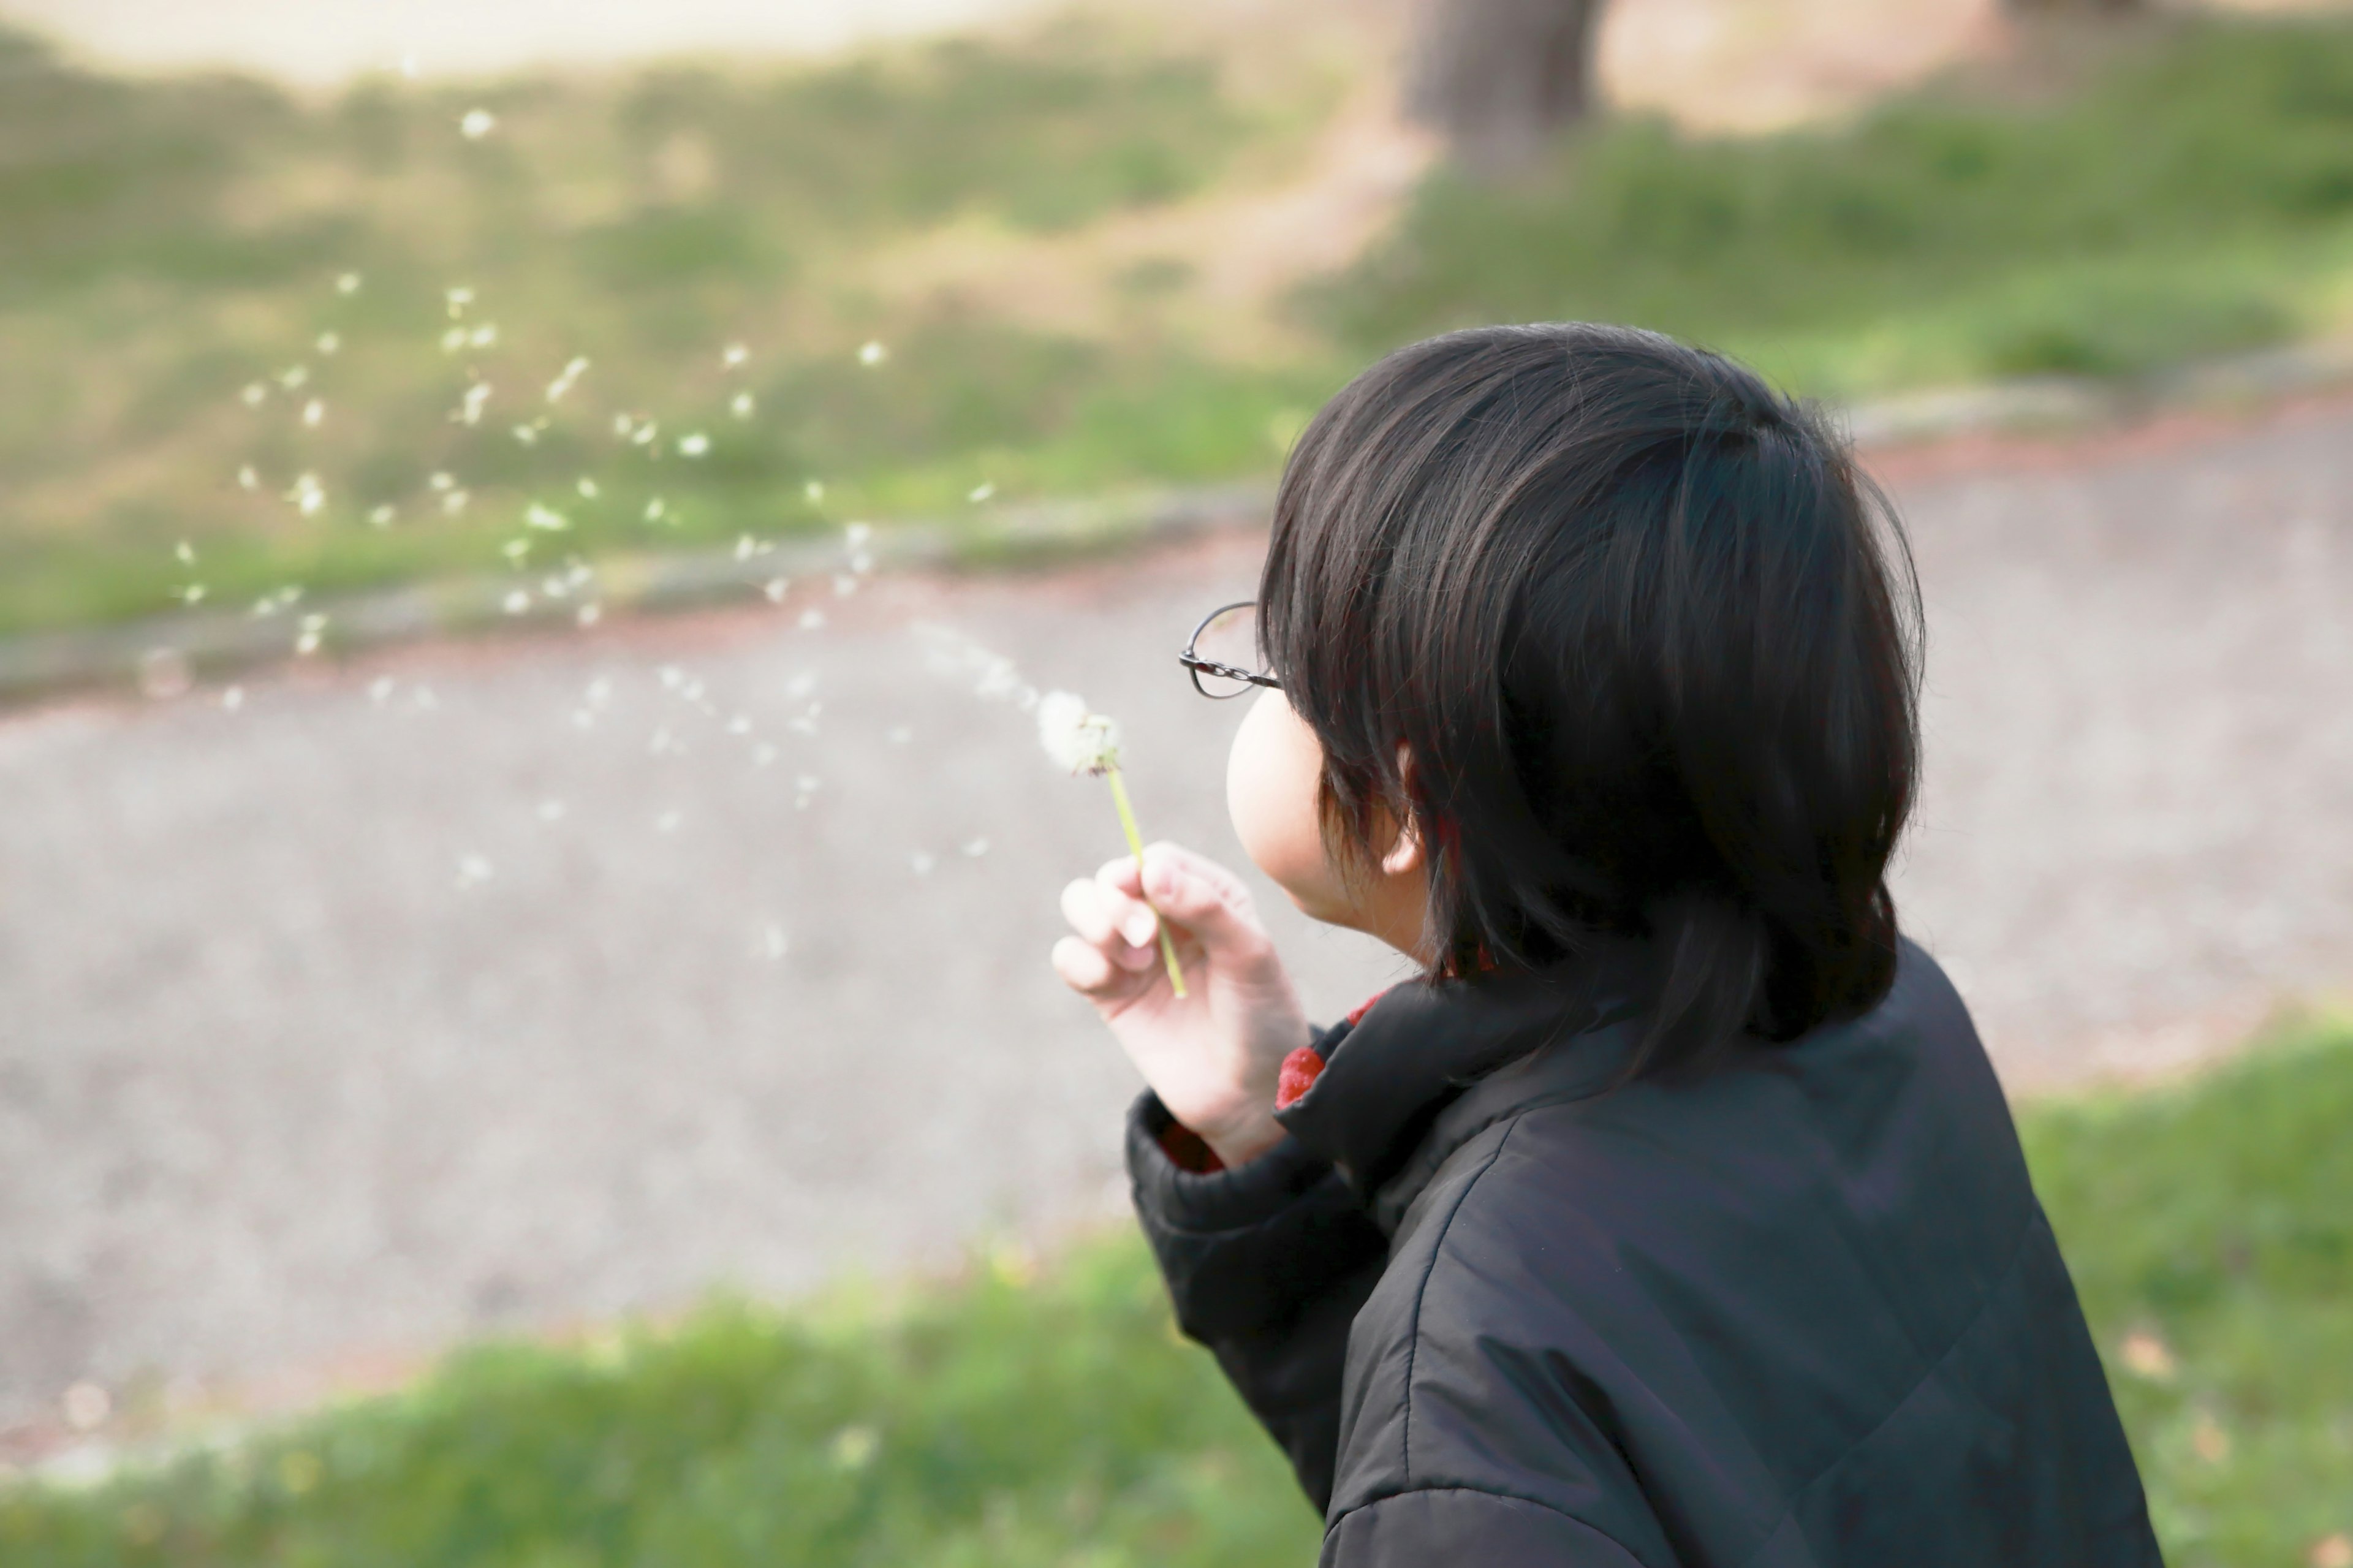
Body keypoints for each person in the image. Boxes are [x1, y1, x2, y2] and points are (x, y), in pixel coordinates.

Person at [1051, 324, 2161, 1565]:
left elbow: (1482, 1459)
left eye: (1277, 667)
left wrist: (1433, 1367)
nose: (1255, 683)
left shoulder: (1489, 1342)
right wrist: (1267, 1135)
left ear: (1407, 807)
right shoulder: (1882, 1010)